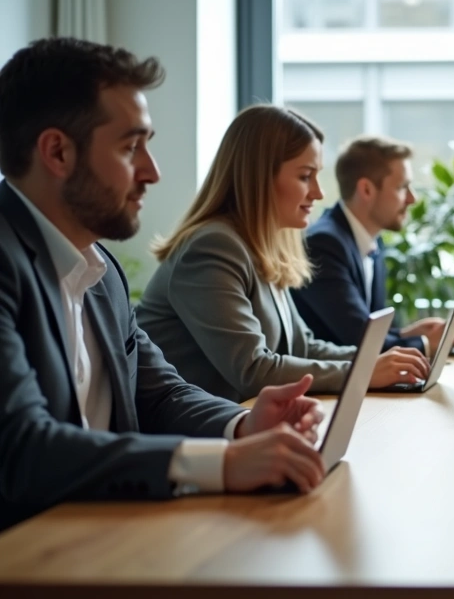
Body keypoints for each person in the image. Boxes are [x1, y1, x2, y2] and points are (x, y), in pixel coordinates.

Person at [0, 38, 329, 530]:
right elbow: (24, 448)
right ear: (57, 152)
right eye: (131, 147)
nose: (152, 171)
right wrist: (221, 464)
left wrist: (241, 425)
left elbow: (159, 395)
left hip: (105, 531)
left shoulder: (101, 272)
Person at [136, 106, 429, 403]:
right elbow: (253, 370)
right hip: (195, 436)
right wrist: (363, 370)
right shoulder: (212, 247)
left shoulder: (260, 244)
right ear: (260, 177)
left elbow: (304, 347)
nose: (318, 193)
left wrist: (383, 361)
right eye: (305, 176)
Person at [292, 136, 454, 355]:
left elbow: (367, 333)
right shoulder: (322, 245)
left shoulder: (372, 241)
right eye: (402, 187)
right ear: (367, 190)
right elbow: (362, 345)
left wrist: (408, 334)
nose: (412, 198)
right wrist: (428, 343)